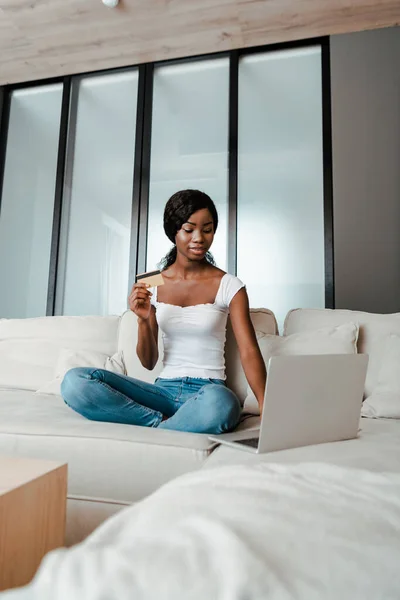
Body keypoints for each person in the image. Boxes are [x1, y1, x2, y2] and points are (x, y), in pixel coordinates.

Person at [61, 189, 266, 434]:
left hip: (208, 392)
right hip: (161, 392)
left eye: (207, 229)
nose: (199, 238)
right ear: (174, 231)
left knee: (224, 404)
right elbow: (148, 363)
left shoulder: (229, 284)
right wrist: (143, 319)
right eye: (189, 230)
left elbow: (249, 351)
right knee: (75, 382)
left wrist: (267, 409)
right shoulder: (151, 281)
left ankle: (156, 430)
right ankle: (165, 428)